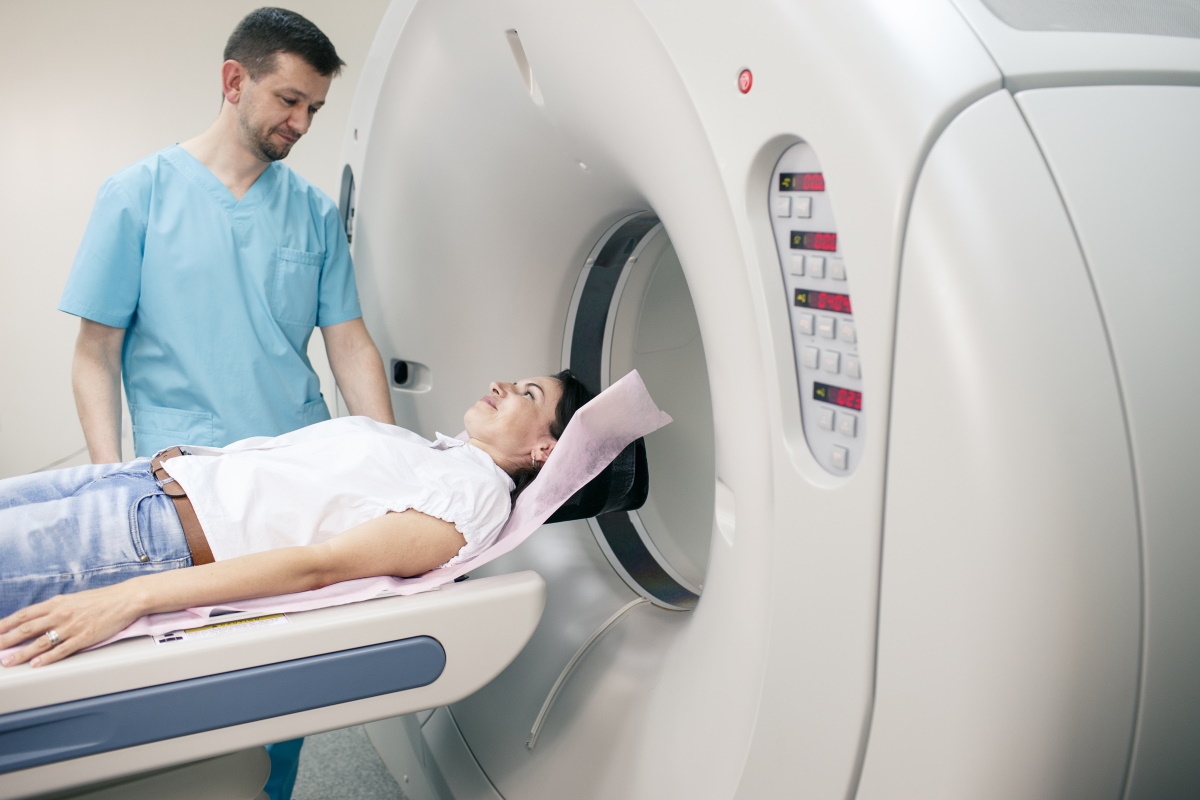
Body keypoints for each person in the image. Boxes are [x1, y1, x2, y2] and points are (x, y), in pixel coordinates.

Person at [0, 372, 593, 668]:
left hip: (147, 541)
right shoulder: (439, 455)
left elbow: (319, 568)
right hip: (134, 484)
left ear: (545, 451)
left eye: (528, 395)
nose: (502, 385)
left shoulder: (476, 497)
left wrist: (134, 596)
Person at [59, 7, 394, 464]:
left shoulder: (315, 212)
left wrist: (396, 457)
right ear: (235, 82)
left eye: (313, 108)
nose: (303, 124)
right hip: (185, 464)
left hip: (300, 455)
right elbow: (96, 350)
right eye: (289, 100)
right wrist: (109, 476)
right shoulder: (136, 196)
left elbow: (351, 346)